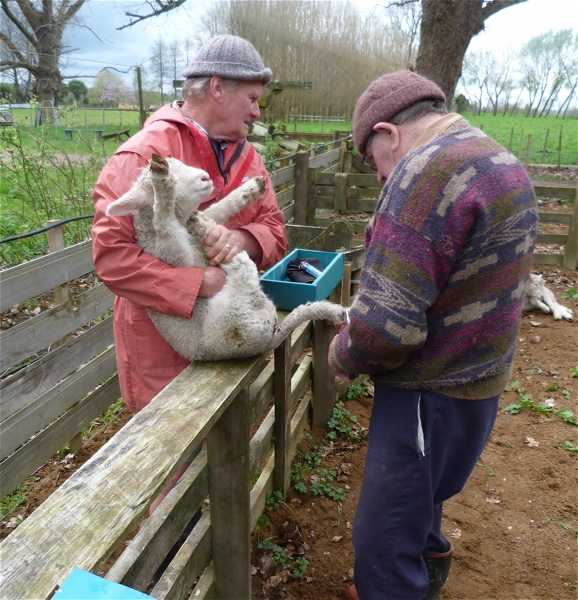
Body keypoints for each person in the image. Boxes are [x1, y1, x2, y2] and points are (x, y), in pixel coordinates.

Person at [328, 71, 538, 599]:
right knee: (424, 500)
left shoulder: (423, 174)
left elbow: (384, 331)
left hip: (428, 393)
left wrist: (344, 351)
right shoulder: (497, 160)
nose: (378, 176)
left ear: (387, 133)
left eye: (370, 157)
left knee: (383, 542)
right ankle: (427, 576)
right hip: (479, 382)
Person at [92, 35, 287, 510]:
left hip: (228, 332)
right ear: (217, 88)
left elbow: (275, 229)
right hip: (161, 341)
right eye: (252, 100)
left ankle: (218, 545)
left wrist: (240, 241)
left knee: (222, 440)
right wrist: (201, 282)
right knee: (170, 463)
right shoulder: (146, 156)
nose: (258, 114)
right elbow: (112, 257)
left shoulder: (248, 156)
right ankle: (166, 569)